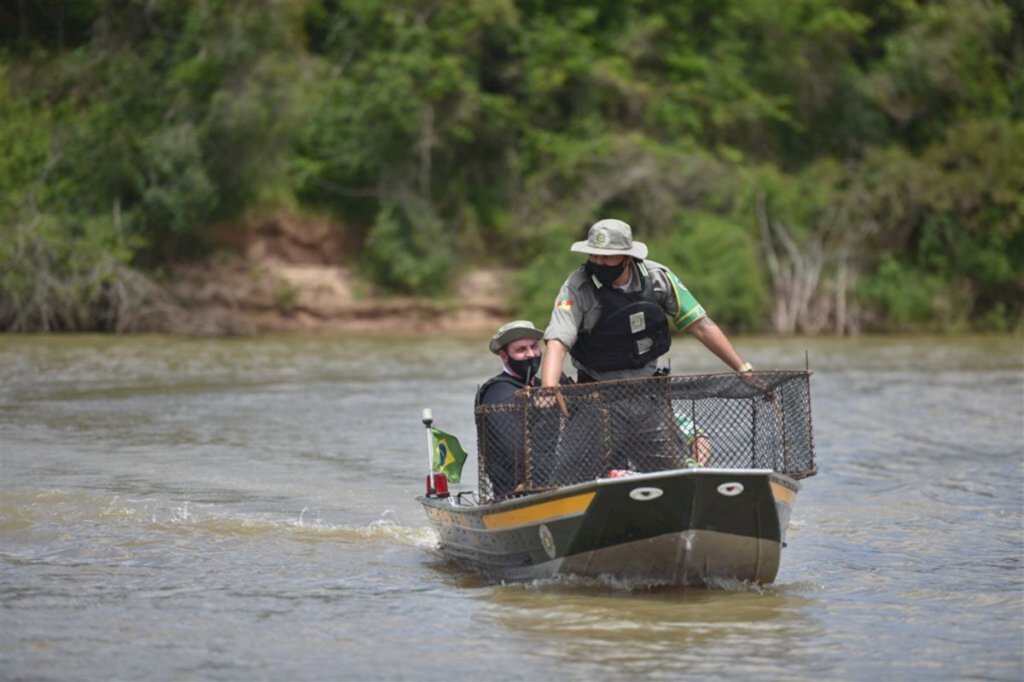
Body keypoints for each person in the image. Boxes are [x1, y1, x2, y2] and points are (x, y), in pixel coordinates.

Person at [539, 218, 754, 468]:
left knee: (674, 472)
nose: (598, 262)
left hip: (647, 397)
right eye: (593, 255)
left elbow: (700, 325)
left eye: (607, 257)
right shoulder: (577, 286)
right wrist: (548, 388)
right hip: (596, 400)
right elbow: (557, 341)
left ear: (626, 258)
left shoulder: (657, 278)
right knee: (571, 474)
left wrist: (742, 368)